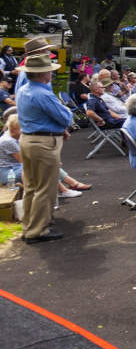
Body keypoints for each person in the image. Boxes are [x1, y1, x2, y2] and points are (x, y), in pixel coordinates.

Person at [16, 54, 74, 243]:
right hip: (43, 142)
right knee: (45, 188)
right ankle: (38, 231)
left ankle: (30, 226)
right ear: (42, 74)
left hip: (28, 140)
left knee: (32, 187)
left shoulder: (24, 90)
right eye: (50, 70)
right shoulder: (43, 93)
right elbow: (65, 118)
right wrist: (65, 112)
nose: (52, 73)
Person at [0, 113, 23, 183]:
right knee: (39, 168)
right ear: (15, 129)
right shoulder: (9, 141)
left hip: (15, 168)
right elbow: (23, 160)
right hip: (7, 173)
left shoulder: (9, 134)